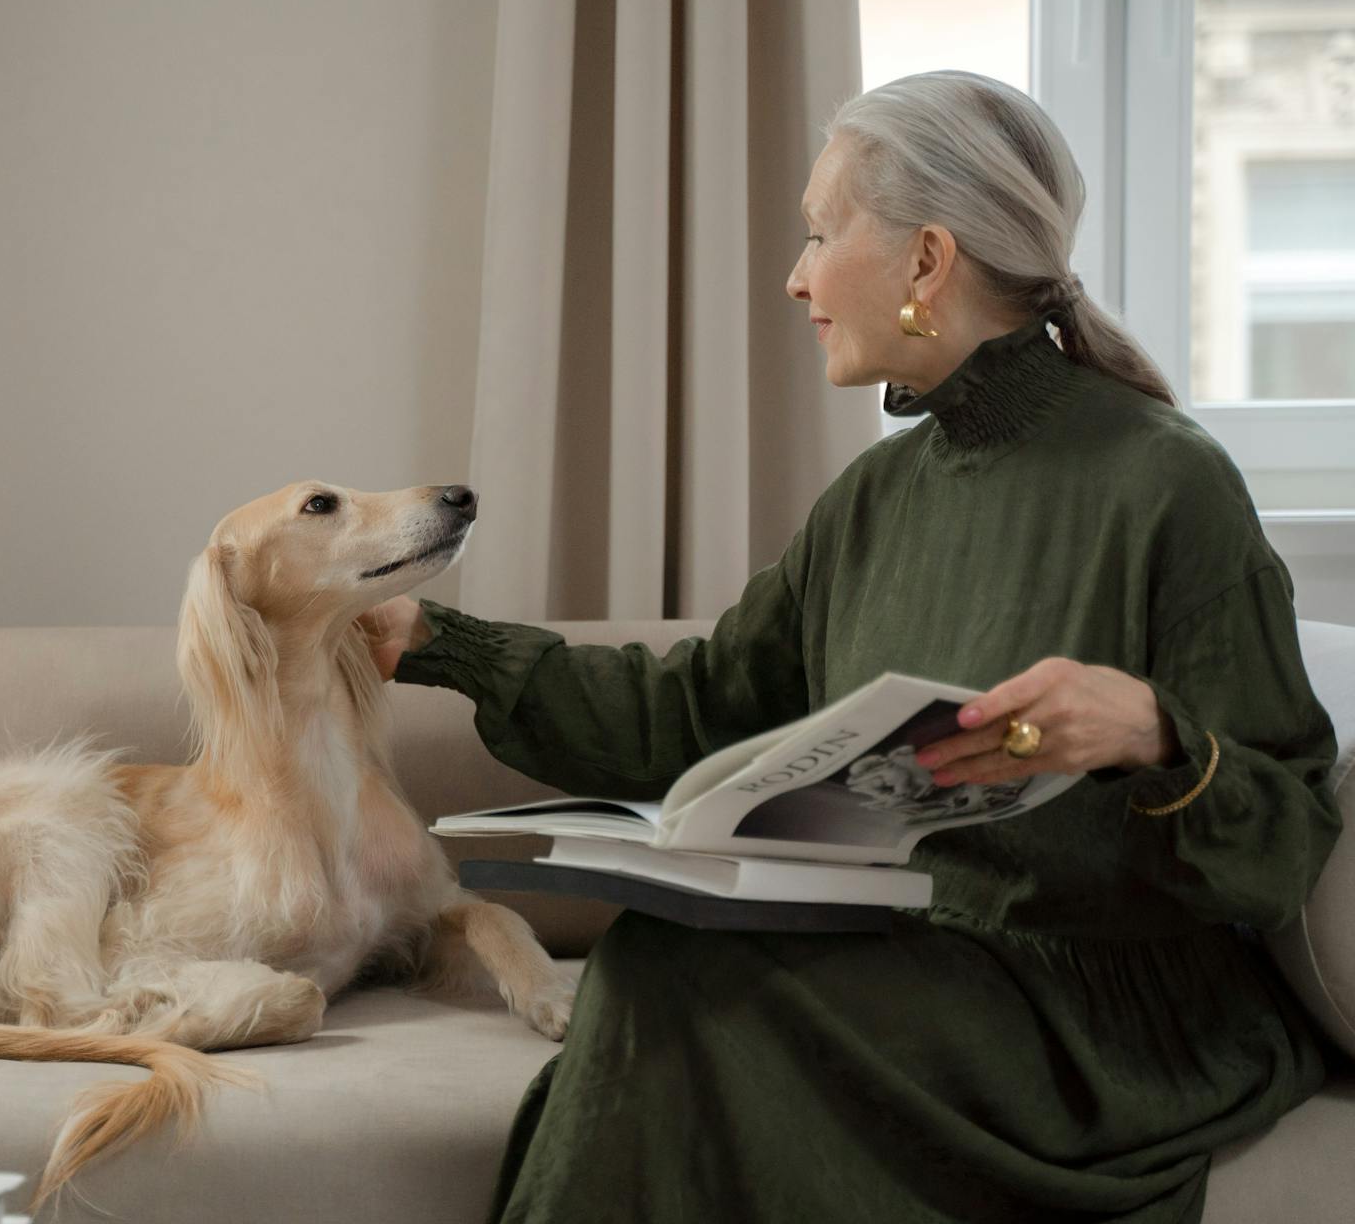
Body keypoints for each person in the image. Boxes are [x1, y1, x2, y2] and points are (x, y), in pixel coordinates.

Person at [358, 71, 1343, 1223]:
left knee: (672, 983)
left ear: (927, 261)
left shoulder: (1166, 481)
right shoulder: (876, 495)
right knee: (660, 960)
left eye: (822, 233)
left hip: (1101, 1009)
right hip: (917, 966)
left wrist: (1152, 733)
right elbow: (703, 706)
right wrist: (440, 640)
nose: (797, 275)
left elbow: (1286, 837)